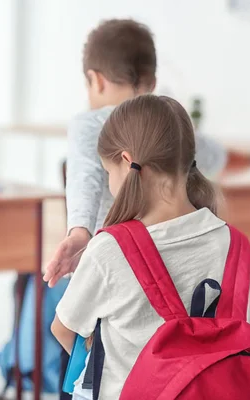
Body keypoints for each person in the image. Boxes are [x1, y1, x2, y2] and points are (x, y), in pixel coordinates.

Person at [52, 94, 229, 399]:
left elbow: (64, 328)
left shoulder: (108, 248)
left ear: (125, 160)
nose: (110, 183)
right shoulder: (227, 240)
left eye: (108, 173)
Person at [44, 19, 226, 290]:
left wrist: (80, 231)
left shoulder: (89, 123)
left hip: (106, 267)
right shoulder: (171, 122)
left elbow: (84, 175)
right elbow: (215, 156)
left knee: (44, 304)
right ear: (152, 83)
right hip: (169, 269)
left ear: (96, 80)